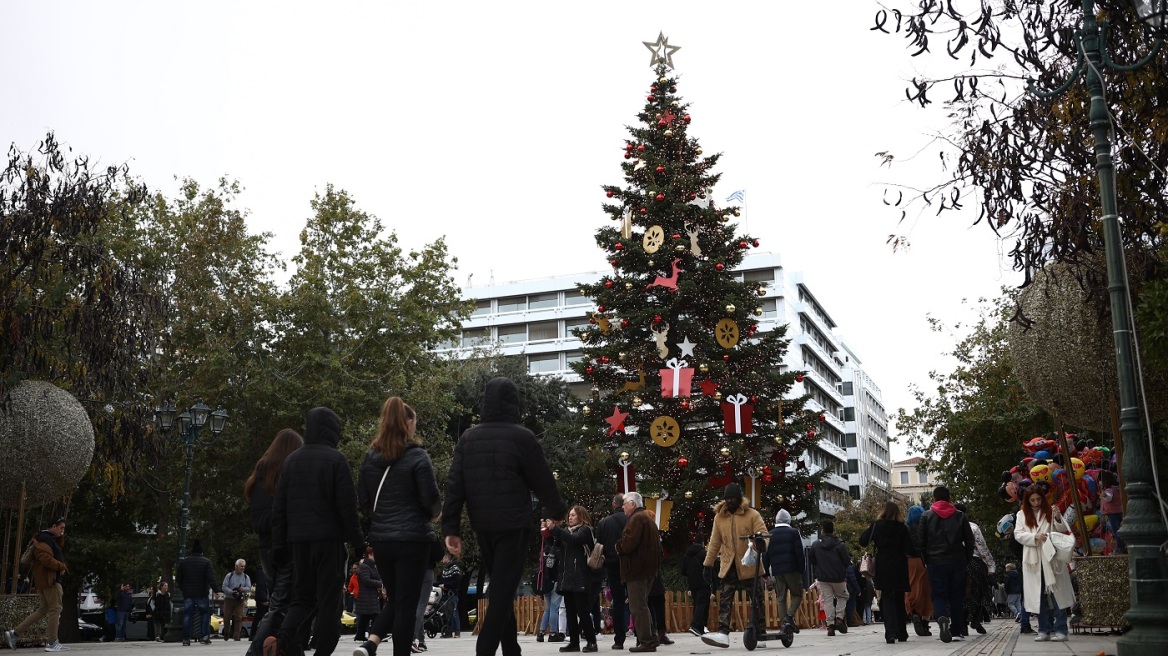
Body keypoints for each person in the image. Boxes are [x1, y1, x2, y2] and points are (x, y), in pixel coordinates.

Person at [441, 377, 566, 656]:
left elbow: (455, 486)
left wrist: (451, 528)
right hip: (513, 525)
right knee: (501, 589)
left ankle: (511, 648)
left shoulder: (468, 438)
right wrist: (556, 510)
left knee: (502, 585)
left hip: (482, 524)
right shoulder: (521, 437)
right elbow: (542, 479)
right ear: (514, 403)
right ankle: (484, 649)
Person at [265, 407, 365, 656]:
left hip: (298, 543)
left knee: (302, 599)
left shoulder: (291, 460)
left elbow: (280, 509)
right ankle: (323, 652)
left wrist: (279, 546)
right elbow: (347, 508)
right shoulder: (336, 459)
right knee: (330, 603)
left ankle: (282, 641)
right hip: (329, 541)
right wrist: (359, 543)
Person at [353, 396, 441, 656]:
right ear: (409, 423)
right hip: (413, 540)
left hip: (382, 540)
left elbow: (365, 501)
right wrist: (434, 515)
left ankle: (371, 644)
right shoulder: (417, 456)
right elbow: (431, 499)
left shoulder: (370, 459)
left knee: (396, 599)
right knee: (406, 604)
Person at [245, 429, 304, 656]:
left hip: (265, 547)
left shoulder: (260, 477)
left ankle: (293, 650)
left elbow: (258, 519)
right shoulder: (283, 479)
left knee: (284, 603)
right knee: (282, 605)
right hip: (285, 546)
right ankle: (256, 651)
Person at [701, 483, 767, 649]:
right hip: (728, 564)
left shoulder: (752, 514)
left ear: (739, 499)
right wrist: (707, 564)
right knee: (725, 599)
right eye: (727, 498)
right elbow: (715, 542)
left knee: (758, 600)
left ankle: (761, 633)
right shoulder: (719, 518)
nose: (730, 501)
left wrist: (761, 543)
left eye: (733, 498)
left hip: (750, 564)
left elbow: (763, 533)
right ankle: (723, 633)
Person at [1013, 488, 1074, 642]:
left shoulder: (1050, 510)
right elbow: (1018, 534)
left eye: (1038, 499)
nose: (1036, 503)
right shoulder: (1021, 515)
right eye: (1032, 500)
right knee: (1037, 596)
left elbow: (1060, 529)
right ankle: (1043, 629)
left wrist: (1058, 517)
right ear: (1027, 501)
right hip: (1032, 559)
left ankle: (1061, 630)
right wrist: (1034, 536)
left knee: (1057, 593)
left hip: (1051, 556)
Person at [914, 486, 974, 644]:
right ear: (950, 498)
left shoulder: (926, 516)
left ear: (933, 499)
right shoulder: (960, 516)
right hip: (957, 560)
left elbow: (920, 542)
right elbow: (969, 540)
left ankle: (941, 616)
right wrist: (967, 557)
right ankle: (956, 631)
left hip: (935, 561)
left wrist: (926, 560)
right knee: (957, 596)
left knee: (938, 594)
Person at [5, 517, 69, 652]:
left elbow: (52, 553)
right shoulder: (45, 538)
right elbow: (45, 559)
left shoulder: (47, 538)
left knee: (43, 610)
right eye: (61, 528)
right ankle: (52, 642)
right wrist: (61, 566)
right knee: (55, 609)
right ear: (53, 526)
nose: (62, 531)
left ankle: (14, 633)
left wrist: (60, 538)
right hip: (50, 581)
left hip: (45, 581)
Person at [859, 501, 914, 644]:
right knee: (899, 599)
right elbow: (910, 549)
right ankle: (902, 632)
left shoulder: (877, 525)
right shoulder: (902, 528)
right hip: (899, 565)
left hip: (883, 565)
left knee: (887, 598)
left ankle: (890, 633)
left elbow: (863, 542)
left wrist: (870, 529)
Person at [615, 492, 661, 653]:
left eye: (625, 503)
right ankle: (652, 638)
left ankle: (646, 641)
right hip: (648, 569)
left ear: (633, 504)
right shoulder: (647, 518)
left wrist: (618, 546)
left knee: (637, 607)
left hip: (636, 570)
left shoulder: (636, 519)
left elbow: (628, 544)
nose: (623, 507)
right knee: (643, 605)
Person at [551, 506, 599, 653]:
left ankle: (591, 641)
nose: (570, 518)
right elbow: (556, 544)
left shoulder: (585, 530)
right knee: (570, 611)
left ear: (580, 517)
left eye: (573, 515)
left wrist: (556, 529)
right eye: (569, 515)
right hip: (567, 577)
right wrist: (550, 532)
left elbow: (573, 540)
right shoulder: (566, 531)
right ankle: (574, 642)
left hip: (581, 576)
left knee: (582, 611)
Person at [594, 494, 629, 650]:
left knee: (618, 602)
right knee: (639, 600)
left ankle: (619, 639)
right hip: (631, 564)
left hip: (612, 565)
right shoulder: (632, 520)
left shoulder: (604, 522)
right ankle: (644, 636)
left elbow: (598, 544)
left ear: (614, 504)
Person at [763, 509, 804, 637]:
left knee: (781, 598)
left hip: (777, 571)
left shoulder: (770, 534)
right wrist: (801, 569)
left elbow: (766, 555)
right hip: (792, 569)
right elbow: (799, 553)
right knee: (797, 594)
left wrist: (766, 572)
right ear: (788, 520)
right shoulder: (793, 533)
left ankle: (784, 624)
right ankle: (789, 618)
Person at [808, 520, 851, 637]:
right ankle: (839, 617)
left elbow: (812, 559)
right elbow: (847, 561)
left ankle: (830, 625)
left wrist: (820, 567)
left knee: (827, 600)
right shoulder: (840, 545)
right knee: (843, 596)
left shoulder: (816, 544)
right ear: (833, 530)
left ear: (823, 530)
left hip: (822, 577)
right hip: (838, 577)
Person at [175, 539, 217, 646]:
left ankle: (186, 639)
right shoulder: (206, 562)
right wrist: (217, 589)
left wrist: (183, 588)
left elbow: (179, 578)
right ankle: (204, 636)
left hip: (188, 593)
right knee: (204, 614)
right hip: (202, 593)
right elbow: (210, 578)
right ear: (201, 552)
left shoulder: (184, 562)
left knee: (187, 615)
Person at [904, 505, 934, 636]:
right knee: (926, 591)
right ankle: (925, 622)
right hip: (923, 561)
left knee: (911, 587)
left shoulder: (906, 529)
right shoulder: (926, 527)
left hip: (908, 562)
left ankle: (913, 610)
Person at [536, 516, 565, 643]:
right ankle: (553, 633)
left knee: (547, 608)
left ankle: (541, 633)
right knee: (554, 608)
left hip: (545, 582)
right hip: (555, 580)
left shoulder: (544, 550)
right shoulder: (557, 551)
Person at [681, 534, 711, 638]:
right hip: (703, 582)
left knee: (696, 604)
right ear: (703, 543)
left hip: (692, 583)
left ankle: (699, 628)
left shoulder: (687, 555)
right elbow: (709, 568)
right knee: (702, 604)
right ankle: (696, 625)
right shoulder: (703, 554)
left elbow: (683, 571)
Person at [353, 549, 382, 642]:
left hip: (370, 595)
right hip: (367, 595)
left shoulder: (372, 566)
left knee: (365, 617)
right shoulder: (365, 567)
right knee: (375, 616)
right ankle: (376, 634)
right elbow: (366, 580)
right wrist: (379, 583)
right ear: (369, 555)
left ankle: (360, 635)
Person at [223, 559, 253, 641]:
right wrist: (231, 592)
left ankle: (237, 635)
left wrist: (242, 589)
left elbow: (249, 588)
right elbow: (224, 586)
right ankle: (226, 632)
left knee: (239, 617)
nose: (243, 568)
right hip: (229, 599)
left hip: (240, 600)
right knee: (227, 617)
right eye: (241, 566)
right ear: (236, 566)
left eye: (244, 566)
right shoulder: (229, 575)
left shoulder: (246, 577)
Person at [435, 553, 462, 638]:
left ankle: (457, 631)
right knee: (447, 614)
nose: (442, 560)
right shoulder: (445, 570)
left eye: (443, 558)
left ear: (447, 558)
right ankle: (449, 631)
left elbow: (457, 582)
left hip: (452, 594)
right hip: (446, 594)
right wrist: (433, 584)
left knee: (454, 612)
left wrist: (445, 586)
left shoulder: (455, 568)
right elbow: (440, 581)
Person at [1100, 471, 1124, 553]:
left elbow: (1109, 498)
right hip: (1119, 511)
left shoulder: (1109, 490)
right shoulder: (1116, 488)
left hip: (1113, 513)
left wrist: (1105, 496)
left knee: (1116, 530)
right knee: (1119, 529)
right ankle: (1121, 545)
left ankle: (1120, 547)